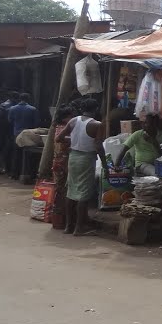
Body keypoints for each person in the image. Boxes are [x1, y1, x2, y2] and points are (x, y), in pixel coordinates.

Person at [57, 99, 107, 236]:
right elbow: (98, 146)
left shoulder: (73, 121)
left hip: (73, 158)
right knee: (83, 194)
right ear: (95, 109)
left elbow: (59, 138)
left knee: (71, 191)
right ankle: (79, 228)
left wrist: (73, 140)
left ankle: (68, 226)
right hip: (86, 159)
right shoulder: (97, 124)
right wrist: (105, 164)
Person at [49, 105, 76, 229]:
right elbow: (60, 139)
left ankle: (61, 220)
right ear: (66, 117)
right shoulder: (62, 128)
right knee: (62, 191)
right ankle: (61, 221)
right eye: (71, 116)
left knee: (62, 191)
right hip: (62, 163)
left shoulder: (62, 127)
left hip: (61, 161)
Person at [6, 92, 40, 180]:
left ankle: (15, 174)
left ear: (19, 99)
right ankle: (29, 174)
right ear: (28, 99)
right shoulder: (33, 109)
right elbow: (36, 123)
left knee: (16, 154)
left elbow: (10, 120)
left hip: (17, 133)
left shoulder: (12, 108)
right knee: (29, 155)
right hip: (28, 135)